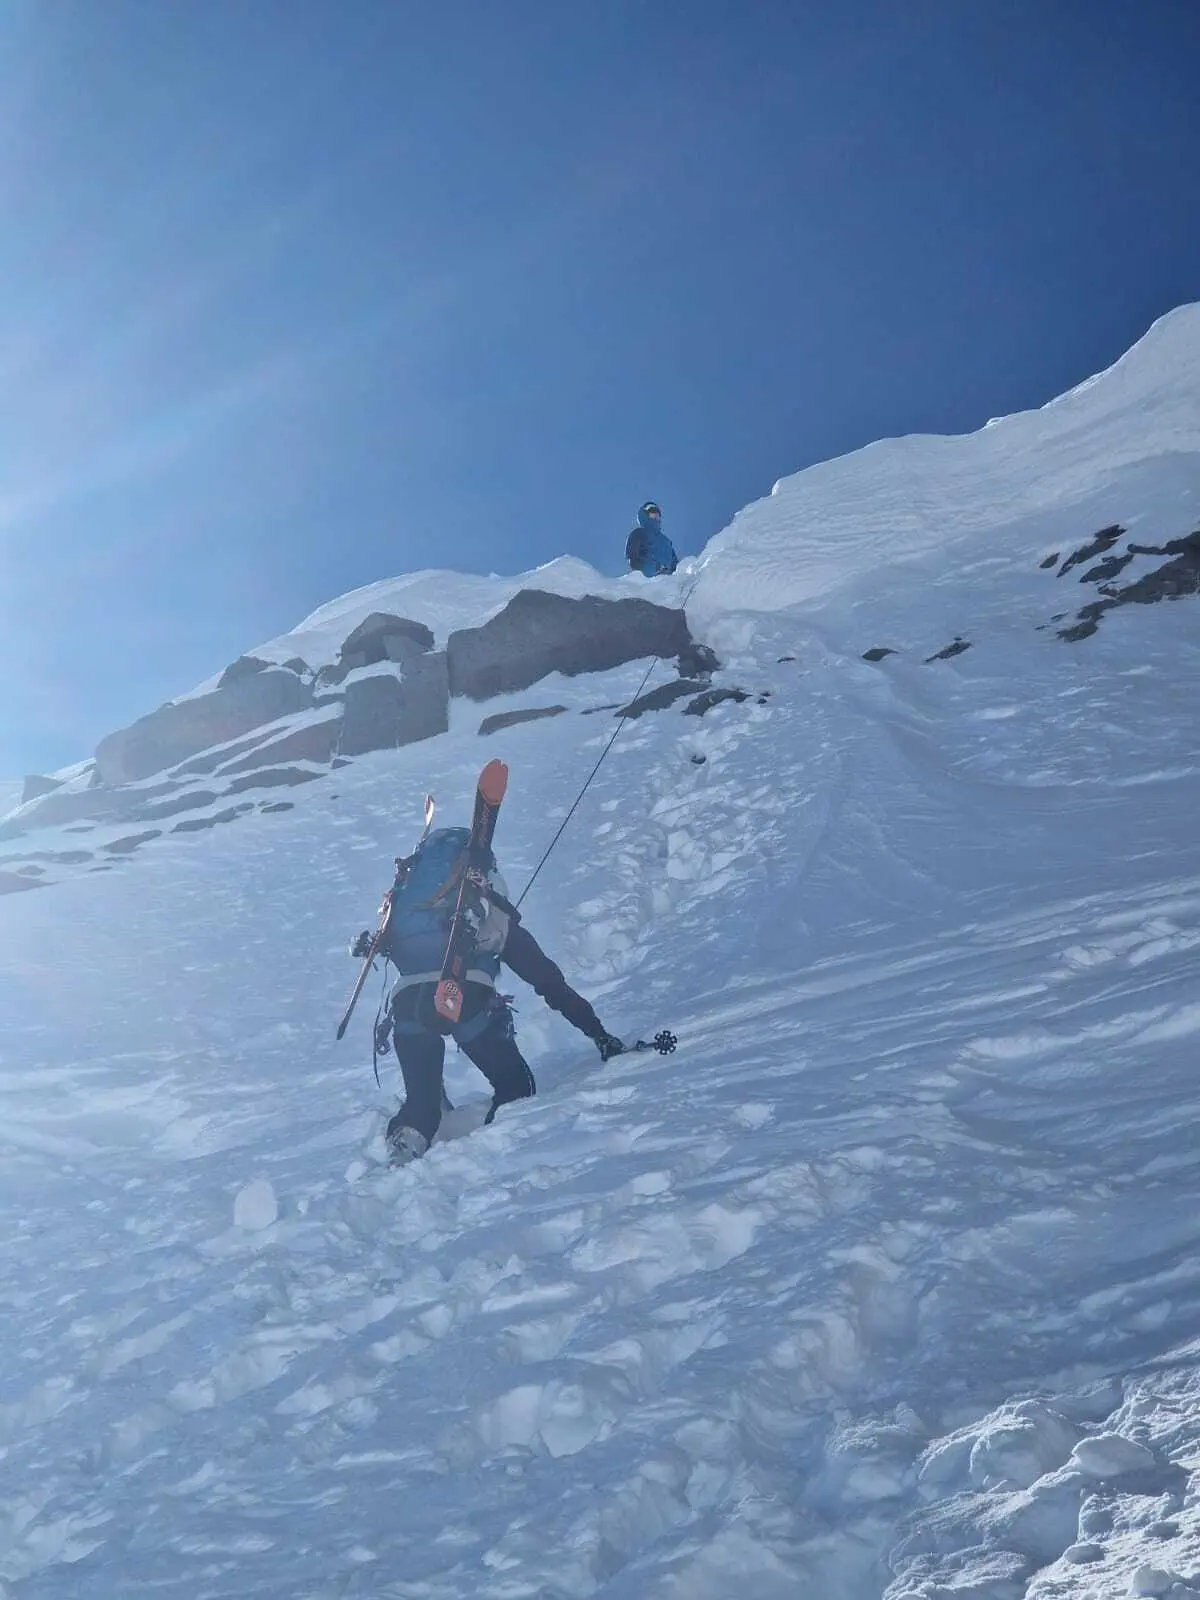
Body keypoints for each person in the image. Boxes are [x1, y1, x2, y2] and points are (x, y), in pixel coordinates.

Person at [351, 827, 623, 1162]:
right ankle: (488, 1155)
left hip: (409, 1005)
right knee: (516, 1087)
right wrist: (599, 1034)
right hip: (468, 1001)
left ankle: (408, 1141)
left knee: (420, 1103)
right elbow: (548, 982)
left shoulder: (406, 909)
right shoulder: (489, 911)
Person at [625, 501, 678, 577]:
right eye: (652, 512)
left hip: (667, 581)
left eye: (658, 514)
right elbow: (633, 558)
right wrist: (652, 569)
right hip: (648, 581)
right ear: (644, 514)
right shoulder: (639, 533)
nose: (656, 514)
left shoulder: (666, 541)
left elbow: (675, 563)